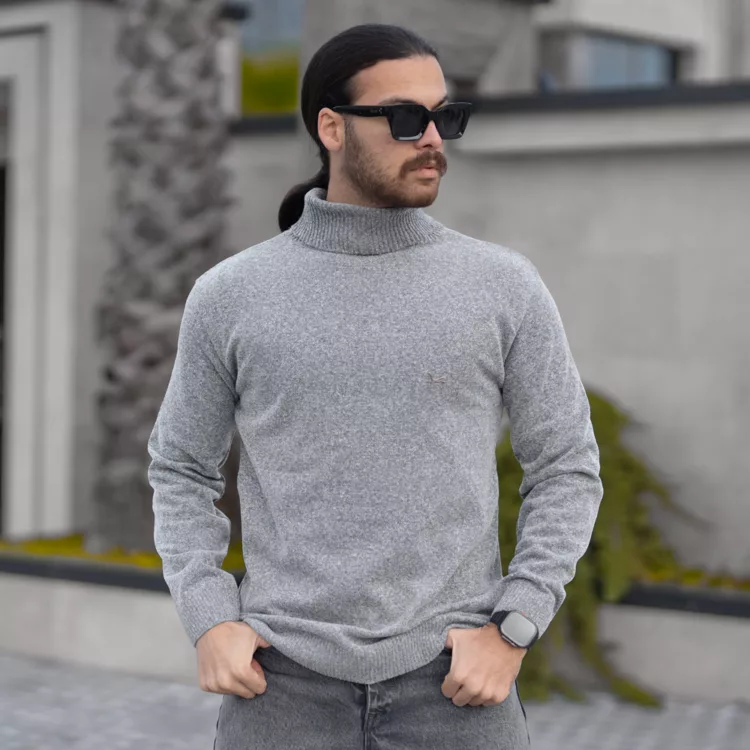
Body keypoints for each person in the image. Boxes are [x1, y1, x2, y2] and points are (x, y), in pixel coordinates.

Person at [147, 23, 603, 750]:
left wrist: (514, 627)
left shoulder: (503, 286)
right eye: (406, 117)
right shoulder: (231, 294)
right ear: (331, 128)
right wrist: (209, 617)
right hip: (279, 688)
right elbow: (180, 468)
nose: (433, 139)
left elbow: (567, 466)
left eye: (444, 116)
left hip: (456, 689)